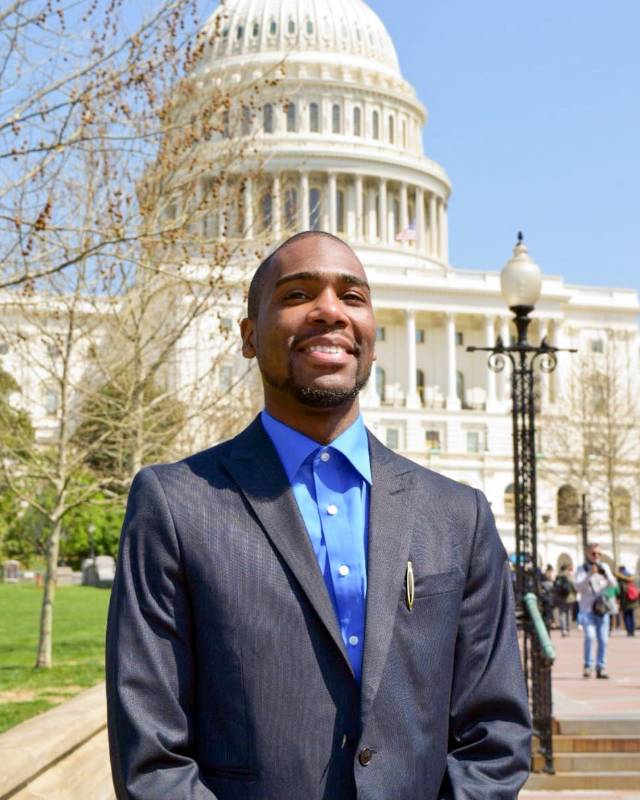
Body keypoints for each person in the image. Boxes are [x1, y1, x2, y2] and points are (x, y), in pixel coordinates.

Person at [106, 231, 531, 800]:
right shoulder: (176, 504)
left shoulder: (458, 515)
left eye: (352, 297)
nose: (330, 310)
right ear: (249, 336)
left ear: (374, 342)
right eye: (298, 294)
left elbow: (495, 735)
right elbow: (152, 758)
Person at [575, 543, 617, 679]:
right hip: (587, 609)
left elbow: (613, 584)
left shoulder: (604, 567)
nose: (596, 556)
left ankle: (601, 667)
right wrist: (589, 574)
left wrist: (605, 574)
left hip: (602, 609)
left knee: (603, 639)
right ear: (587, 553)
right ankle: (588, 665)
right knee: (590, 637)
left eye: (599, 554)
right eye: (593, 553)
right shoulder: (581, 569)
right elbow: (578, 587)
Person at [553, 564, 577, 637]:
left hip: (560, 598)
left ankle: (563, 630)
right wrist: (575, 592)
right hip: (570, 597)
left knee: (562, 614)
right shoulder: (568, 575)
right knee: (569, 613)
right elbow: (573, 585)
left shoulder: (558, 576)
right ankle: (568, 629)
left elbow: (555, 587)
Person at [616, 565, 638, 636]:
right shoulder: (631, 579)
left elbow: (619, 592)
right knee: (631, 616)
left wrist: (618, 599)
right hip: (633, 601)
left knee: (626, 616)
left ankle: (629, 631)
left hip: (625, 602)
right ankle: (632, 631)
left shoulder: (620, 581)